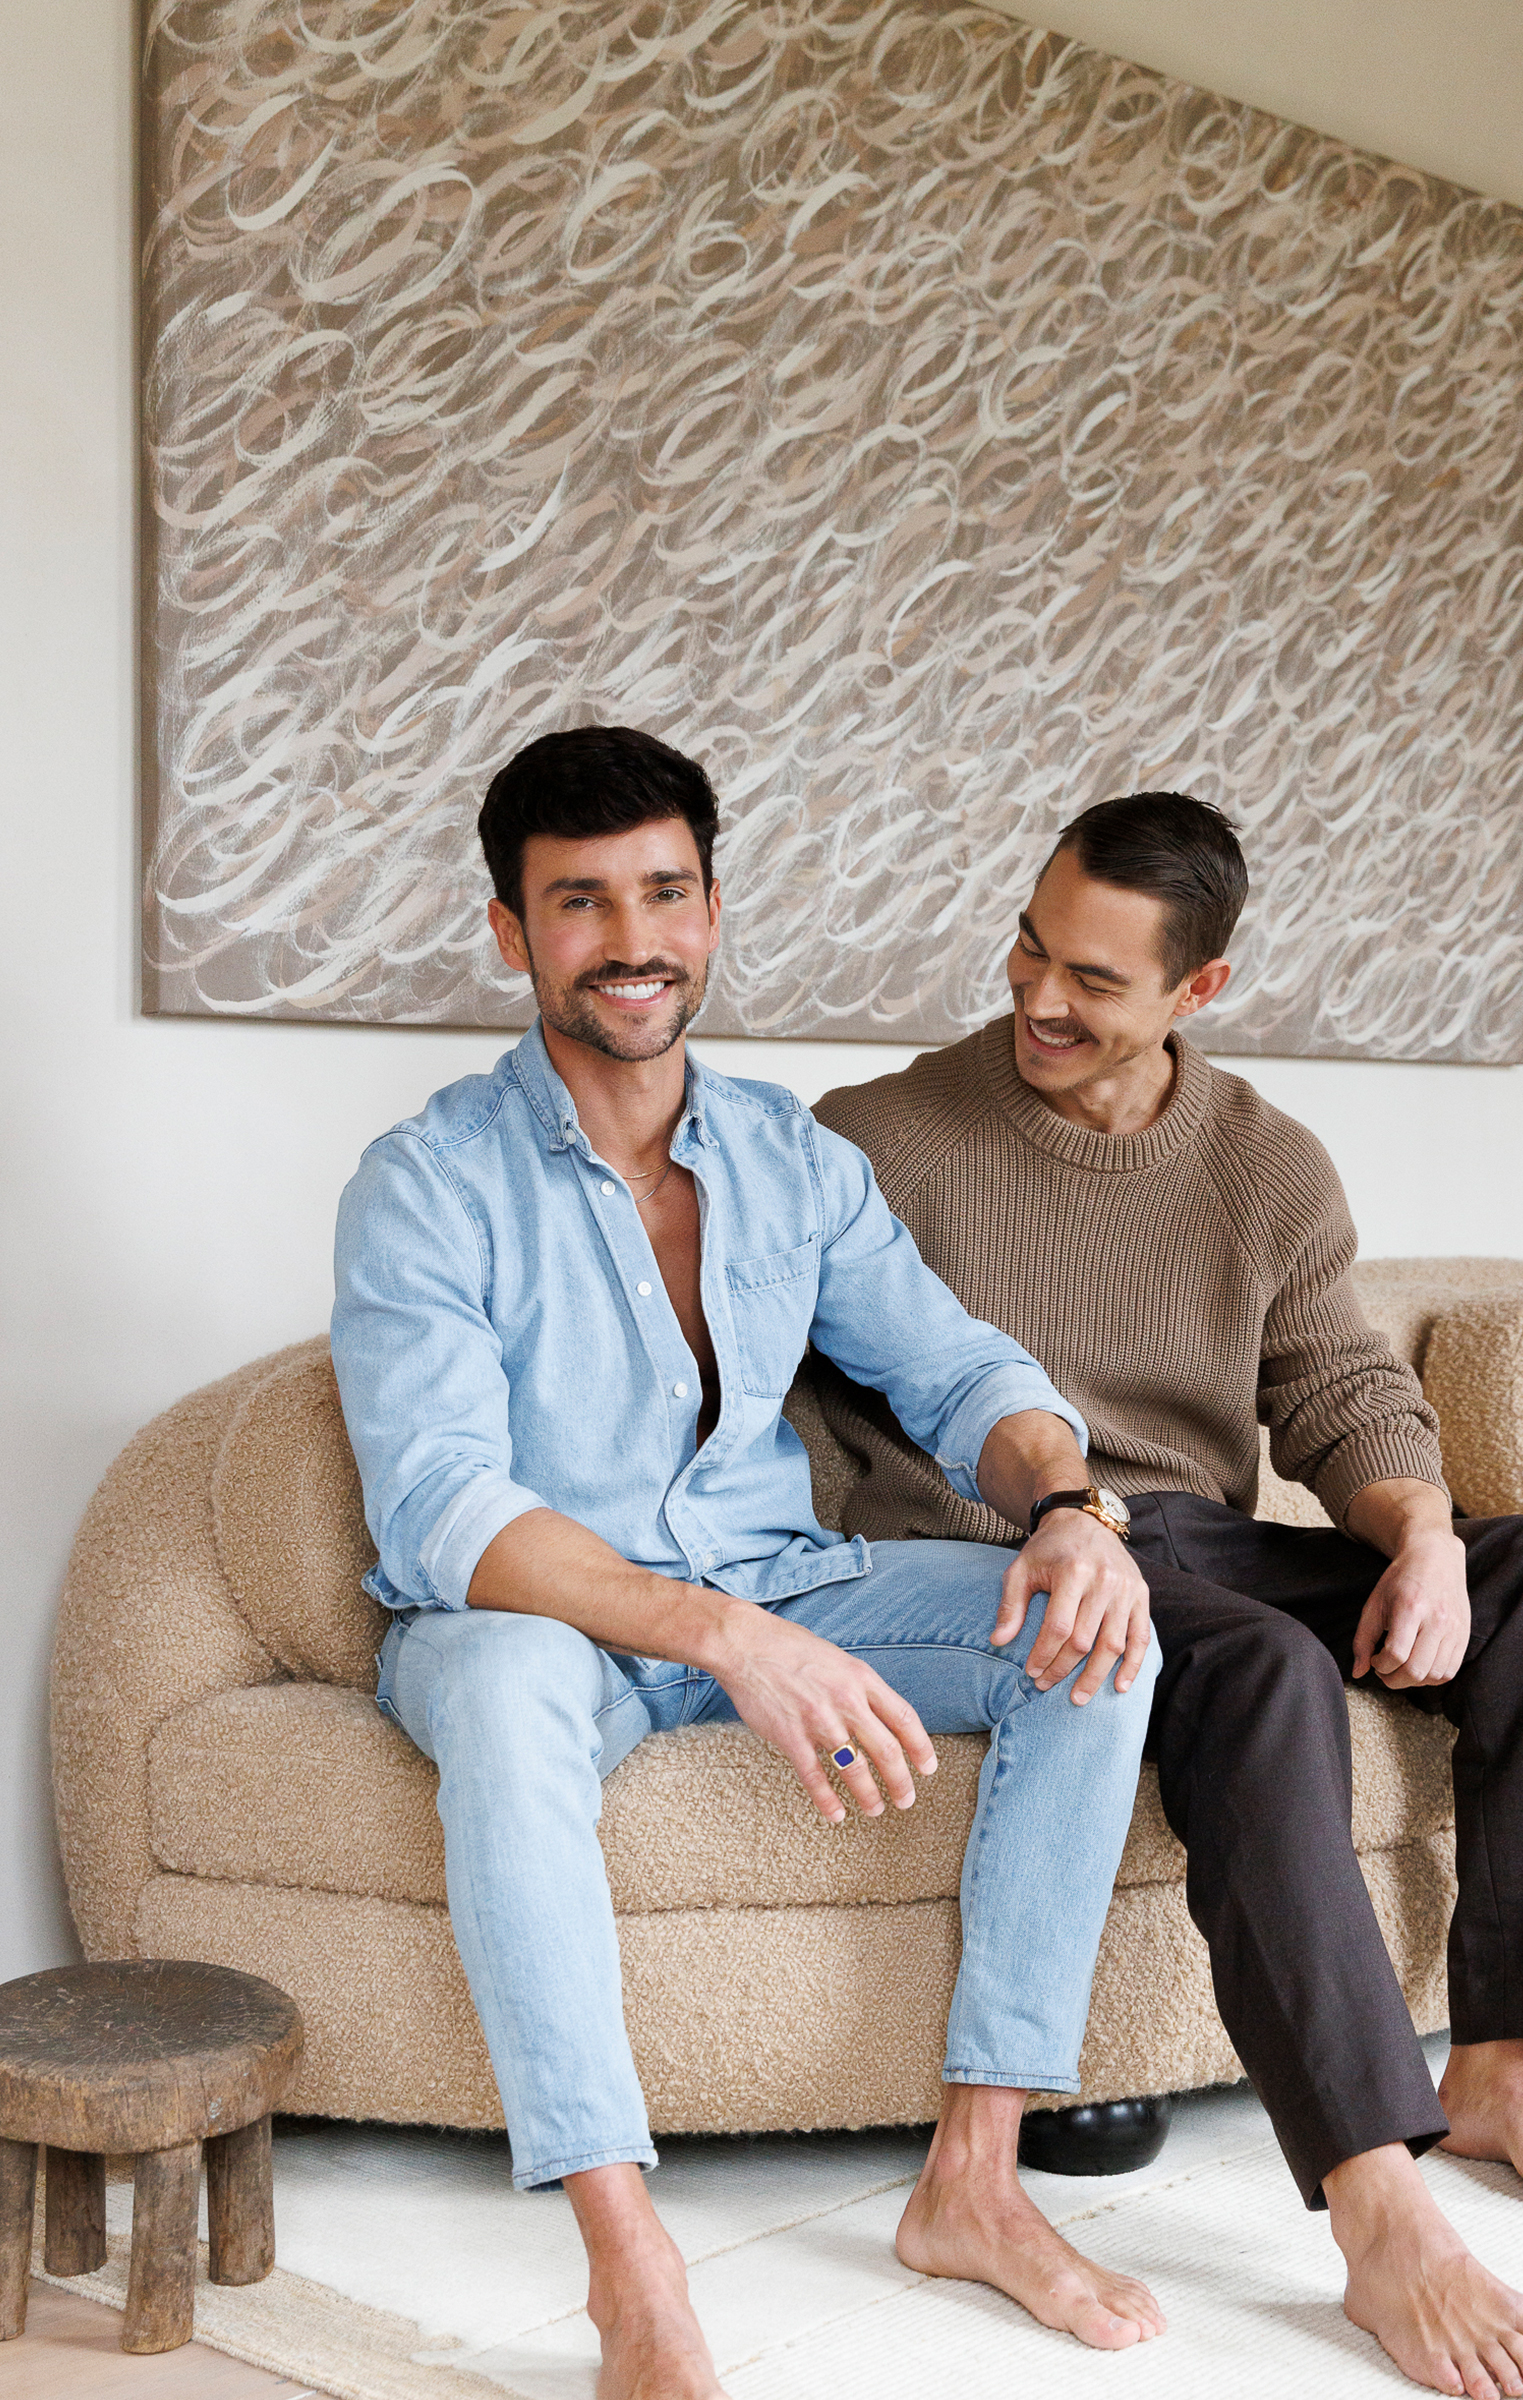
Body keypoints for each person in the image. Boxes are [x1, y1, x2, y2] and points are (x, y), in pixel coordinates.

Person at [330, 728, 1166, 2400]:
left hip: (781, 1578)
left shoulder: (793, 1159)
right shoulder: (425, 1183)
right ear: (512, 934)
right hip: (528, 1622)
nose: (629, 937)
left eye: (663, 891)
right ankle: (629, 2264)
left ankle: (977, 2181)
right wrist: (722, 1635)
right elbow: (440, 1509)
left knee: (1094, 1637)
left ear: (711, 911)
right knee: (499, 1692)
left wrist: (1074, 1507)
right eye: (578, 902)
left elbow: (960, 1372)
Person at [813, 794, 1523, 2400]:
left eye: (1096, 981)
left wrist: (1423, 1537)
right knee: (1253, 1660)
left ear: (1201, 990)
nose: (1041, 997)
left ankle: (1500, 2060)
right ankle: (1376, 2204)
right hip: (996, 1551)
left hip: (1198, 1534)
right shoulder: (876, 1138)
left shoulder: (1266, 1165)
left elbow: (1336, 1391)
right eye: (1032, 948)